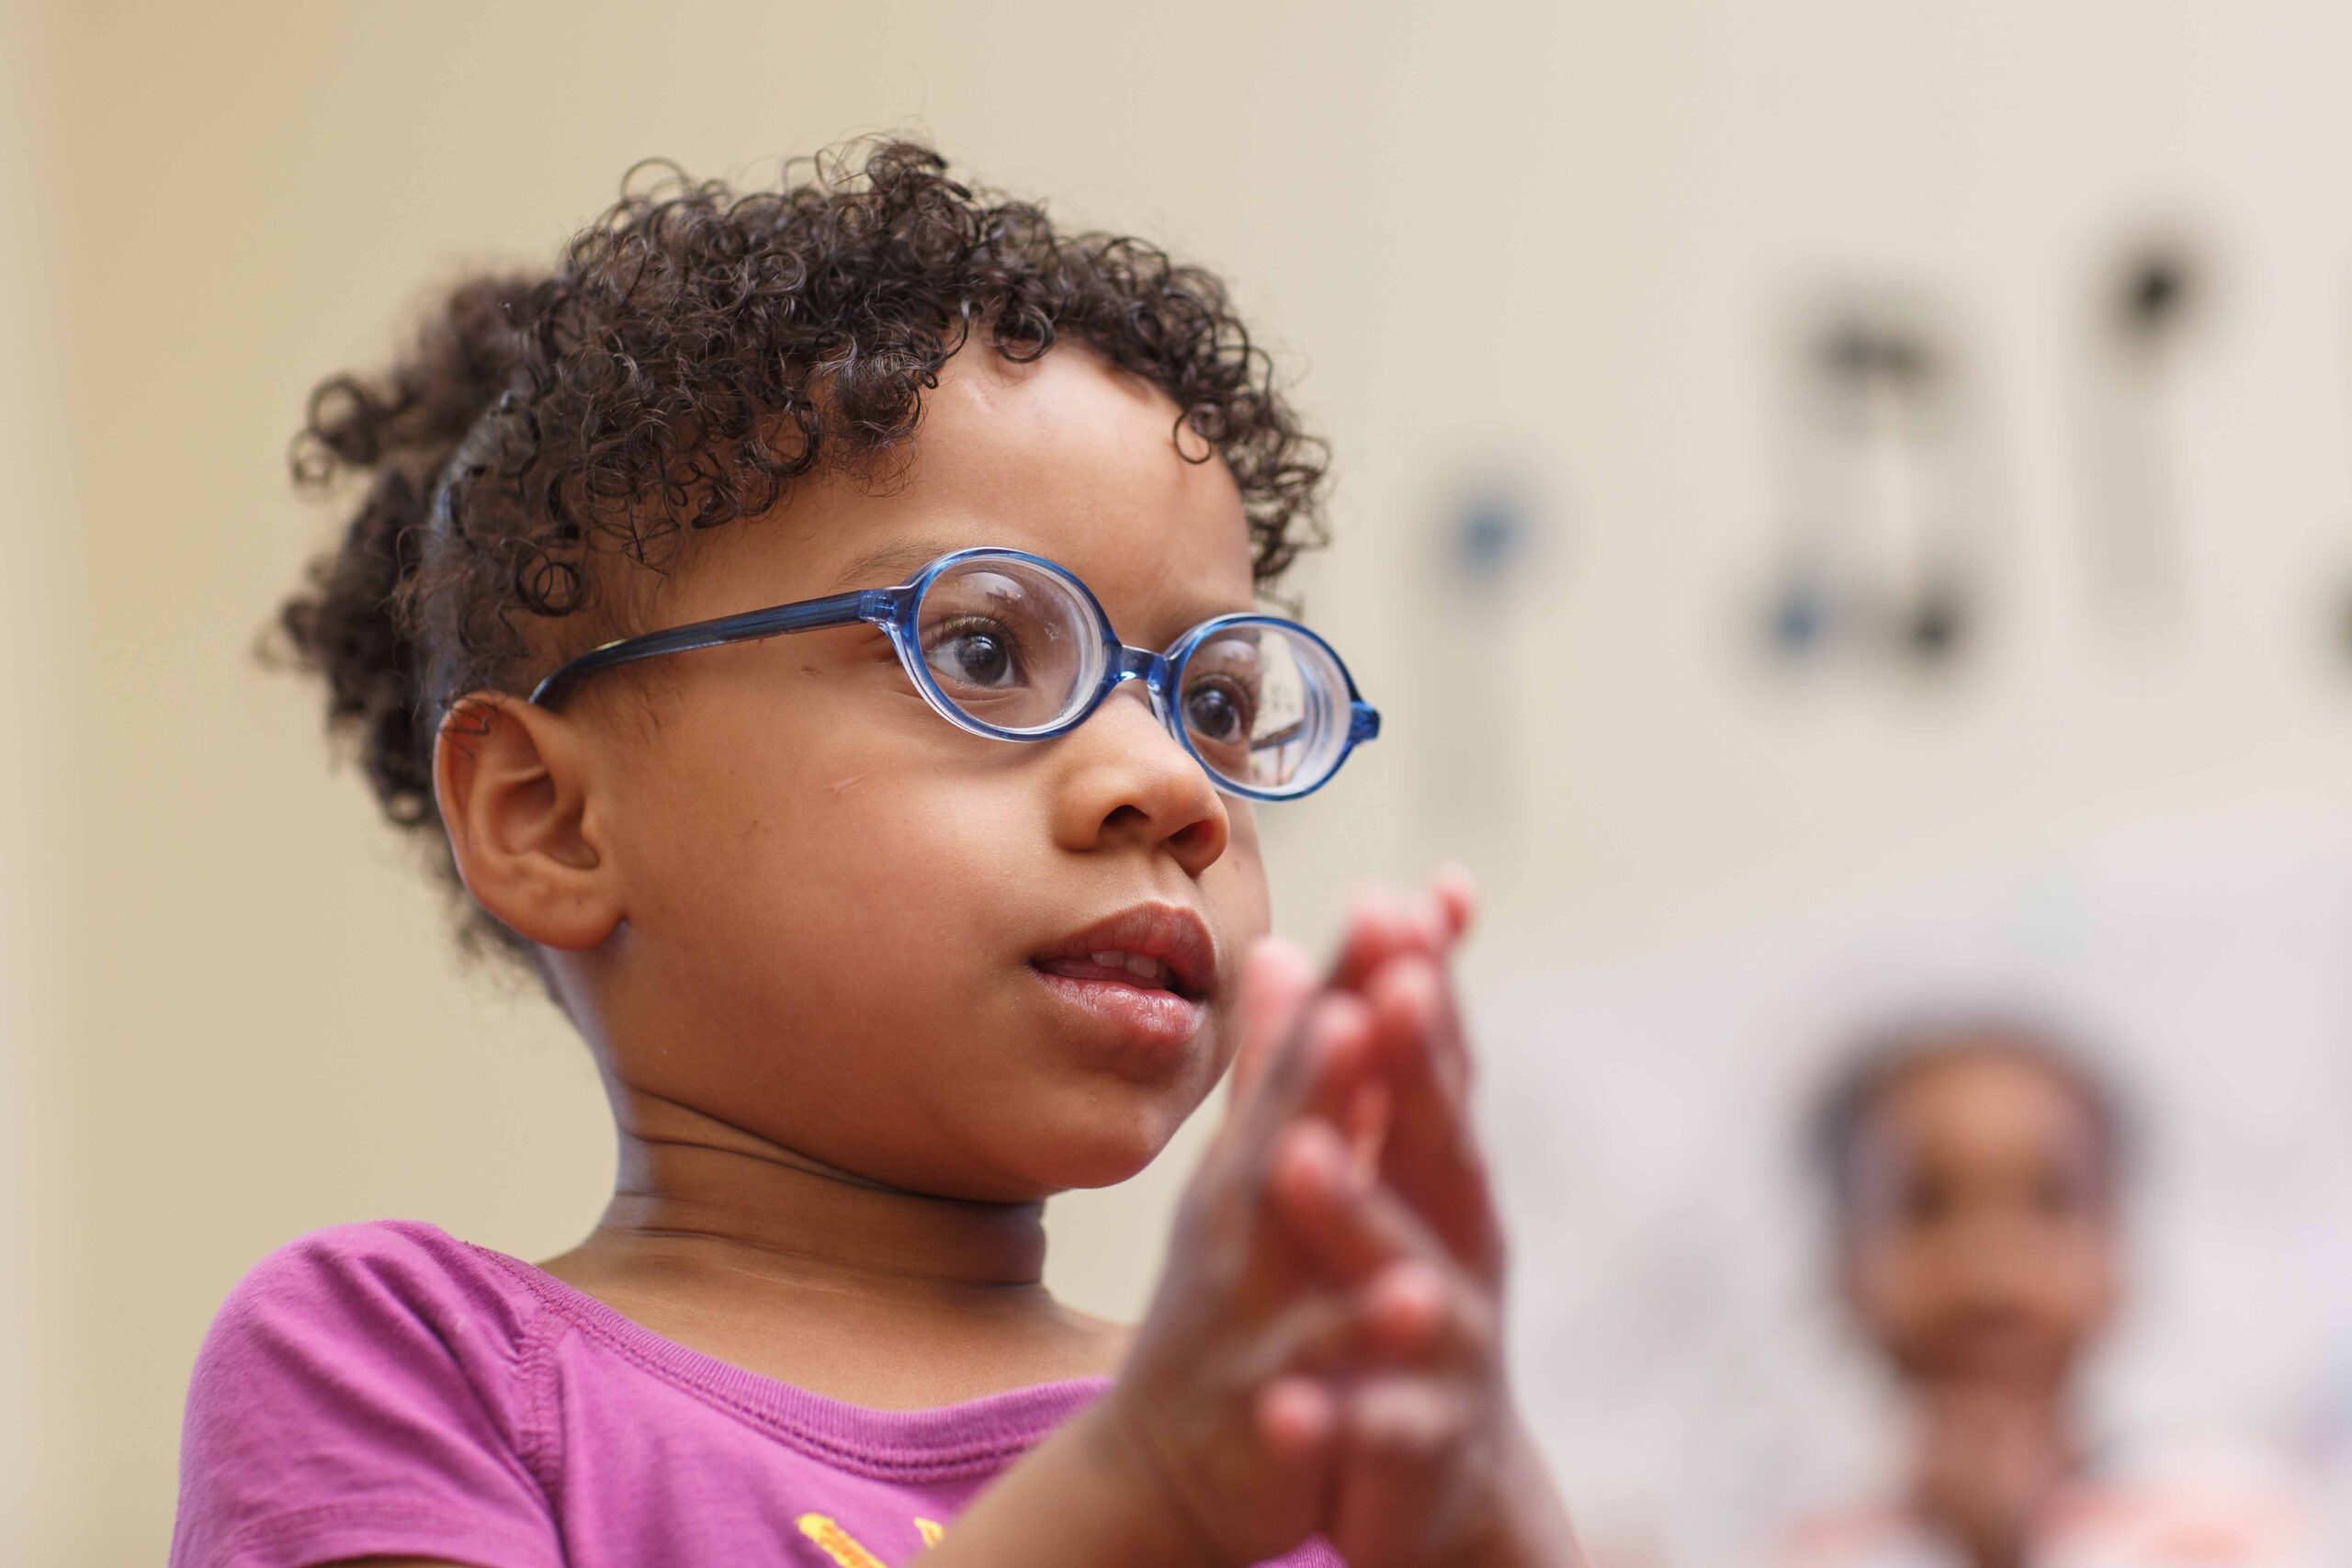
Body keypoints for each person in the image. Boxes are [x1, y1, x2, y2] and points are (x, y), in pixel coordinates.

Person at [168, 141, 1578, 1568]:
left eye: (1213, 704)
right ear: (552, 819)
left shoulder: (1275, 1449)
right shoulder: (408, 1362)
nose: (1171, 784)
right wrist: (1133, 1495)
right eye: (982, 647)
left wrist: (1490, 1519)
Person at [1778, 1019, 2316, 1568]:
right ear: (1840, 1265)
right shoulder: (1807, 1551)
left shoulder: (2230, 1523)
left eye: (2050, 1201)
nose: (1989, 1268)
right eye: (1924, 1204)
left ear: (2118, 1254)